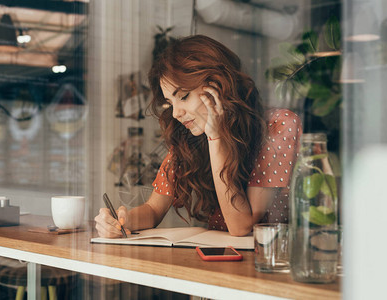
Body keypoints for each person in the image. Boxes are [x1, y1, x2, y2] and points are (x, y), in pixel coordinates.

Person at [95, 35, 302, 237]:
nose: (176, 113)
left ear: (219, 86)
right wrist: (124, 220)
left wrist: (216, 138)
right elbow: (153, 209)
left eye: (183, 96)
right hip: (217, 260)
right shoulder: (189, 138)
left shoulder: (279, 124)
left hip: (271, 260)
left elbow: (241, 227)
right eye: (170, 103)